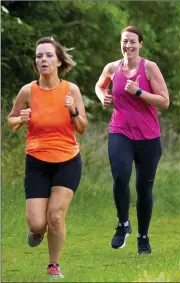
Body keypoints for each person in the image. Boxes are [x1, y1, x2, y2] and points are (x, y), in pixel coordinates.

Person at [7, 37, 88, 278]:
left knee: (55, 215)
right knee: (37, 223)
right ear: (36, 62)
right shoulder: (27, 91)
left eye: (48, 55)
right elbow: (11, 121)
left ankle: (53, 264)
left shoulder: (71, 90)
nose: (43, 59)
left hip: (67, 161)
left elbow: (82, 127)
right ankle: (37, 232)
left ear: (59, 60)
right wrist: (20, 119)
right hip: (37, 162)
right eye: (39, 56)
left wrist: (73, 110)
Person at [95, 25, 169, 255]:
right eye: (125, 41)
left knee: (143, 188)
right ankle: (123, 224)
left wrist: (138, 92)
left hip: (148, 136)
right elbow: (99, 85)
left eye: (133, 41)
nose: (128, 46)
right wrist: (103, 97)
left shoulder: (149, 68)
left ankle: (143, 236)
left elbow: (164, 101)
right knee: (120, 175)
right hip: (120, 130)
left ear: (141, 44)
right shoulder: (112, 67)